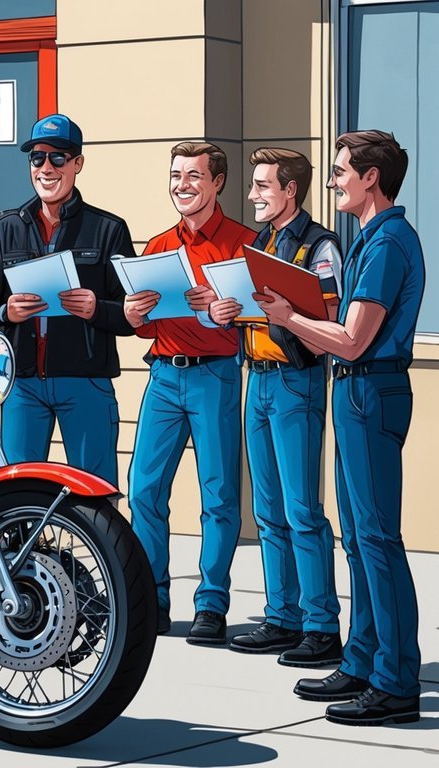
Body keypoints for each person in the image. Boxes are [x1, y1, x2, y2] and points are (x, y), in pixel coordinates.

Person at [258, 130, 422, 727]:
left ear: (370, 177)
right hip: (355, 391)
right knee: (357, 537)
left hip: (370, 391)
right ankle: (363, 660)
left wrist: (292, 318)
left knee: (377, 540)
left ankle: (397, 680)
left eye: (339, 171)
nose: (333, 181)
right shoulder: (368, 240)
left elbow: (352, 341)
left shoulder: (386, 244)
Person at [212, 148, 343, 668]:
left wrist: (279, 316)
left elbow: (327, 318)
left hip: (296, 384)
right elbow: (255, 310)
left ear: (290, 190)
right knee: (267, 511)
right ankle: (282, 616)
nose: (253, 195)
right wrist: (227, 312)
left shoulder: (319, 245)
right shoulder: (258, 243)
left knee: (301, 511)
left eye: (263, 186)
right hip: (258, 383)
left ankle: (321, 626)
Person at [123, 141, 256, 644]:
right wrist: (135, 315)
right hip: (163, 375)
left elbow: (260, 317)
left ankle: (211, 604)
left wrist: (231, 309)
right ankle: (153, 598)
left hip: (215, 376)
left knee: (219, 495)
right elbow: (143, 325)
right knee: (144, 490)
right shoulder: (157, 245)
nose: (183, 184)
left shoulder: (245, 243)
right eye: (176, 175)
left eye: (194, 176)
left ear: (217, 182)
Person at [0, 114, 135, 486]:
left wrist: (97, 310)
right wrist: (5, 312)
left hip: (86, 381)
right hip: (22, 384)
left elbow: (132, 316)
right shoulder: (5, 227)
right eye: (37, 158)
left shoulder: (109, 229)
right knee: (13, 490)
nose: (46, 168)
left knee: (97, 491)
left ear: (77, 164)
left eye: (58, 158)